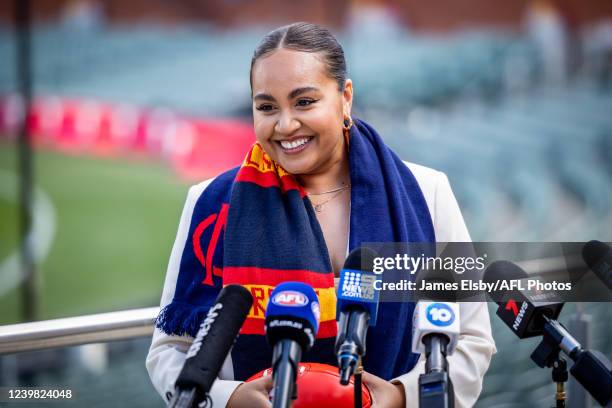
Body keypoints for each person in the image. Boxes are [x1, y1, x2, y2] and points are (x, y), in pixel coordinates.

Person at [146, 22, 496, 408]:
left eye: (304, 102)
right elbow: (168, 352)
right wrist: (230, 399)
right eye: (266, 107)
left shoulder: (427, 194)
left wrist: (401, 396)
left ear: (345, 97)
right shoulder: (210, 203)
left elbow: (471, 342)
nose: (284, 124)